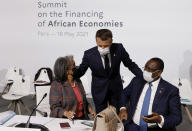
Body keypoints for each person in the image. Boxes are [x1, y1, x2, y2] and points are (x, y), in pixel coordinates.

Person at [73, 29, 142, 114]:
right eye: (100, 45)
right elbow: (81, 71)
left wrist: (142, 76)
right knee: (102, 118)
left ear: (111, 41)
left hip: (116, 89)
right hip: (99, 90)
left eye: (106, 46)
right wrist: (71, 73)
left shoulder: (119, 48)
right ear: (96, 41)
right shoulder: (89, 54)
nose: (102, 48)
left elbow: (130, 64)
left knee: (116, 117)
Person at [120, 57, 182, 131]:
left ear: (159, 72)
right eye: (145, 68)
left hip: (155, 128)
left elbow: (177, 117)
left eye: (150, 70)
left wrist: (160, 119)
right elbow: (124, 93)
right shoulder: (136, 81)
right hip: (133, 126)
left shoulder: (171, 90)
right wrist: (123, 109)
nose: (146, 71)